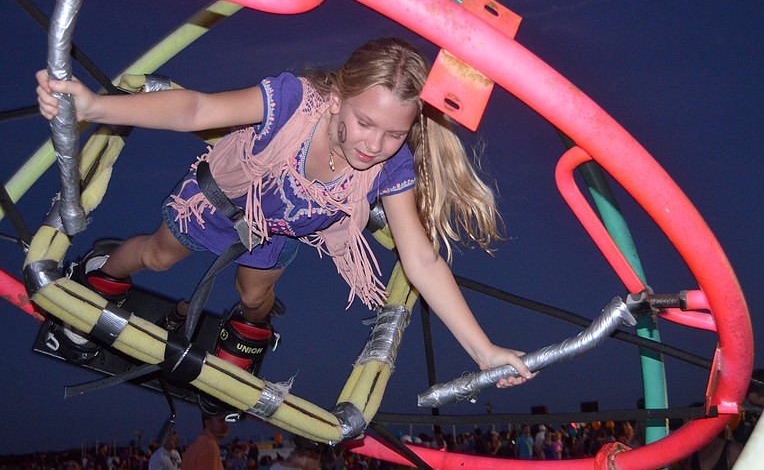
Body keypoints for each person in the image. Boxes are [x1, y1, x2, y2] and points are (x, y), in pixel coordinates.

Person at [36, 37, 532, 416]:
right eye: (364, 123)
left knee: (255, 294)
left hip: (275, 230)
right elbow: (198, 108)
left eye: (394, 133)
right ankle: (102, 269)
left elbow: (420, 258)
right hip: (220, 202)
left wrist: (483, 350)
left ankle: (249, 329)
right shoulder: (295, 101)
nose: (373, 144)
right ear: (337, 98)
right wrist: (95, 106)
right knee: (157, 256)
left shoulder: (392, 165)